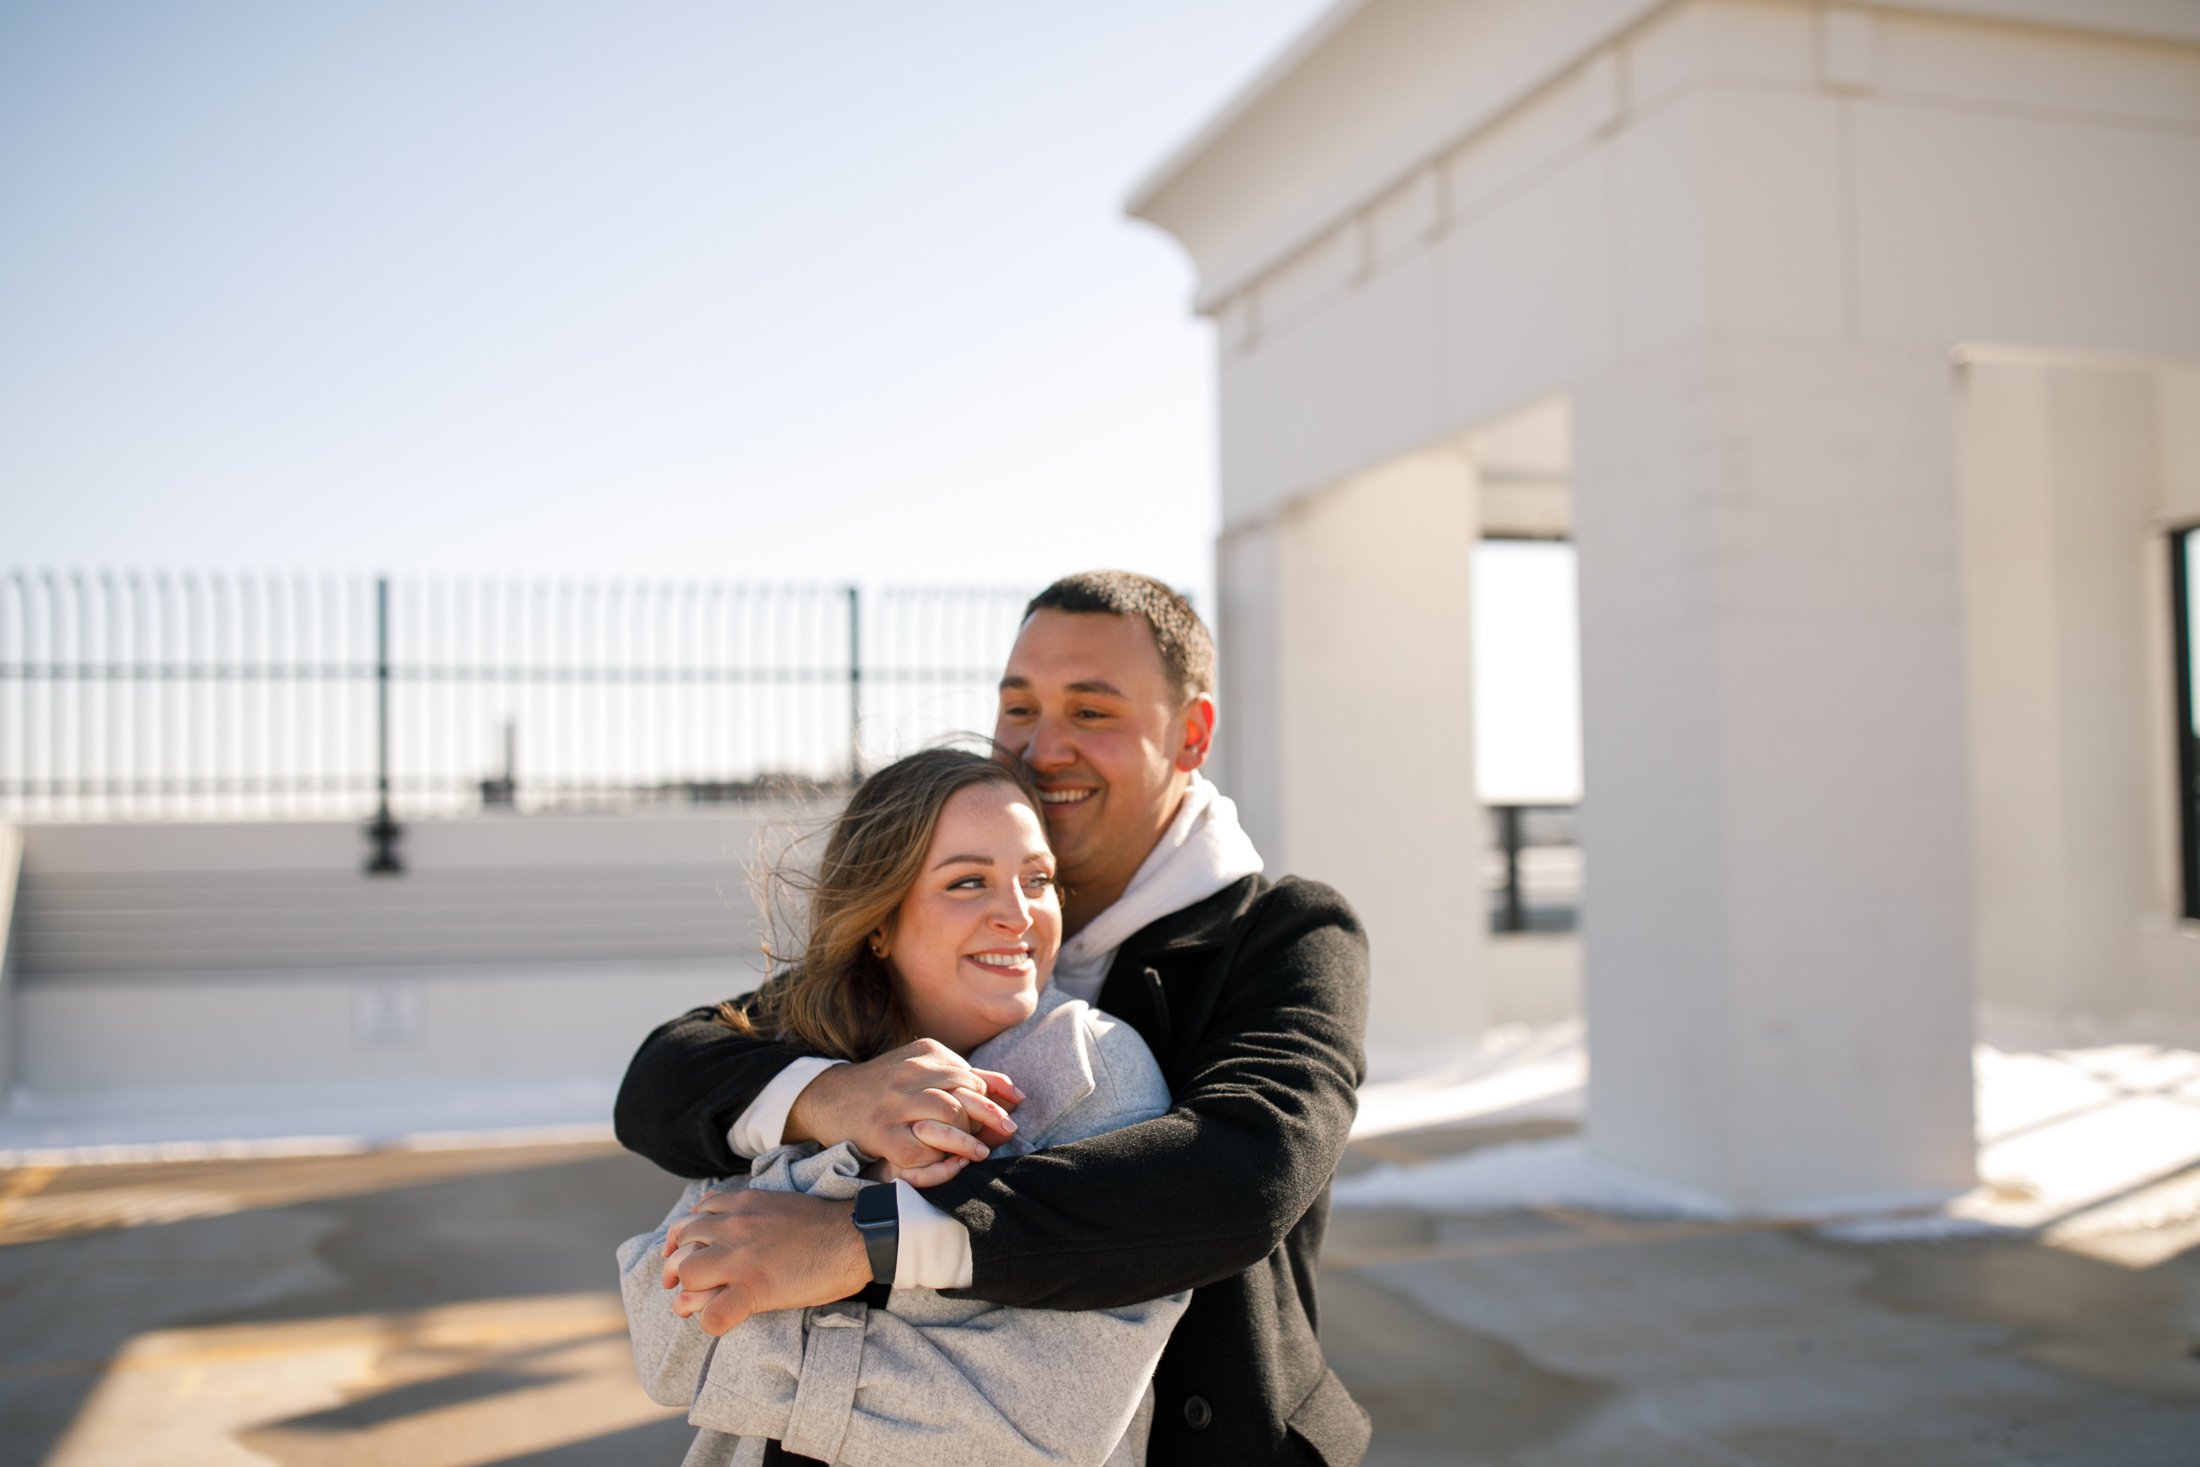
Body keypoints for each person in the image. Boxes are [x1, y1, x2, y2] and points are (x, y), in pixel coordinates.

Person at [616, 571, 1372, 1465]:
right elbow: (669, 1073)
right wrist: (838, 1094)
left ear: (1190, 734)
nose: (1041, 746)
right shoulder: (911, 948)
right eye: (1019, 707)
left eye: (1091, 712)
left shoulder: (1284, 932)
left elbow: (1244, 1174)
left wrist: (868, 1239)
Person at [619, 746, 1187, 1466]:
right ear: (880, 920)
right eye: (969, 881)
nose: (1018, 914)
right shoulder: (806, 1055)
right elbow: (659, 1330)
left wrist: (817, 1257)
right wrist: (841, 1126)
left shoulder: (1098, 1071)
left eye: (1037, 878)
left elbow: (1048, 1422)